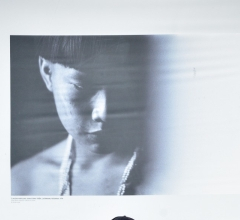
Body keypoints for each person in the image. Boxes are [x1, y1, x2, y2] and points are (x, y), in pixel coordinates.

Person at [11, 36, 148, 196]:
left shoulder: (175, 175)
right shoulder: (22, 185)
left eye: (121, 84)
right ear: (47, 73)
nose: (102, 113)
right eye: (81, 85)